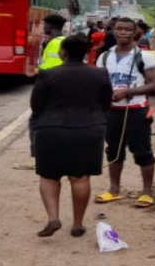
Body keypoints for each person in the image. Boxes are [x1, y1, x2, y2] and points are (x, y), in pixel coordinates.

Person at [30, 33, 112, 238]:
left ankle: (53, 217)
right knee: (80, 177)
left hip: (51, 128)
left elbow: (36, 105)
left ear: (63, 52)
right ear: (85, 52)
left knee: (49, 175)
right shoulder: (100, 74)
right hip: (89, 129)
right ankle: (77, 225)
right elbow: (106, 103)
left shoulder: (48, 75)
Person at [95, 17, 155, 208]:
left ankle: (147, 192)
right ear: (114, 32)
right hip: (112, 112)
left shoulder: (143, 57)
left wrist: (128, 92)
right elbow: (100, 83)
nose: (123, 32)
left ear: (134, 33)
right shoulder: (104, 57)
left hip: (137, 112)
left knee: (142, 151)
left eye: (127, 30)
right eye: (119, 29)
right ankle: (114, 190)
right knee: (113, 150)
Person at [13, 14, 67, 171]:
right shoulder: (57, 42)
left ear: (50, 26)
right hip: (57, 89)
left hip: (51, 90)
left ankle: (37, 158)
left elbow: (53, 68)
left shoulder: (56, 43)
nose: (44, 27)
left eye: (45, 24)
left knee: (36, 122)